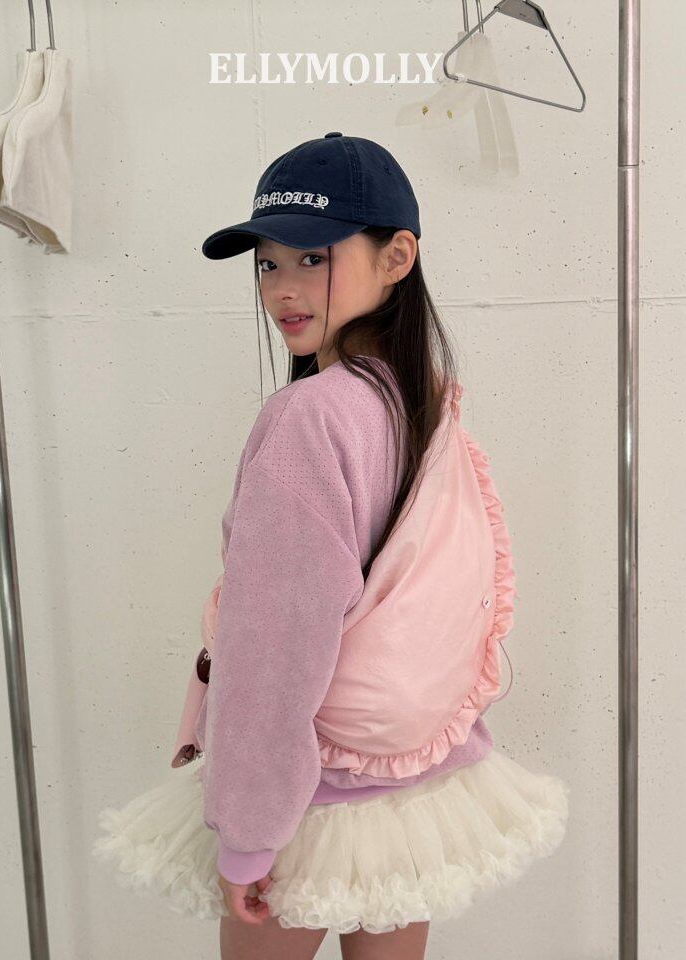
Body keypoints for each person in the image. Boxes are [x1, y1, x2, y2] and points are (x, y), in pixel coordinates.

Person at [92, 133, 569, 960]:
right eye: (267, 264)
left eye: (312, 257)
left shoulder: (308, 418)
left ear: (397, 257)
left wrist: (247, 838)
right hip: (413, 783)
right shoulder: (418, 403)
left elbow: (273, 649)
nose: (282, 288)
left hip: (312, 787)